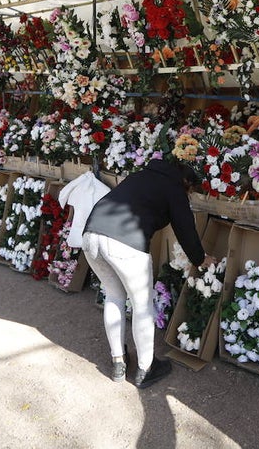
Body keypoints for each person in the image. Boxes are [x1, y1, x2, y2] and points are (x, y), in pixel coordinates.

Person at [82, 157, 214, 389]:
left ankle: (118, 362)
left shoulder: (141, 176)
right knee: (142, 305)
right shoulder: (174, 188)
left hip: (91, 234)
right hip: (125, 241)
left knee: (114, 296)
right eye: (191, 190)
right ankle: (146, 368)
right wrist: (201, 259)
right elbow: (186, 231)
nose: (190, 194)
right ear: (186, 181)